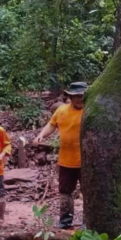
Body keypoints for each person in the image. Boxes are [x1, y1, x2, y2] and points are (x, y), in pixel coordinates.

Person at [34, 82, 87, 229]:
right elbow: (52, 124)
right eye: (76, 96)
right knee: (65, 192)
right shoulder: (61, 111)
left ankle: (87, 222)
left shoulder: (90, 111)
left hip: (86, 162)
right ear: (69, 96)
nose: (79, 99)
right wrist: (41, 135)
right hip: (66, 160)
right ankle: (65, 221)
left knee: (88, 193)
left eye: (82, 96)